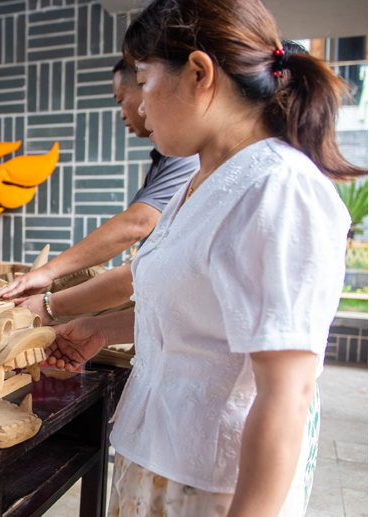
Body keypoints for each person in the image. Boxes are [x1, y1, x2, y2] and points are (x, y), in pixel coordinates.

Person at [45, 1, 365, 516]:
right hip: (159, 457)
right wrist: (103, 330)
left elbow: (287, 391)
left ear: (198, 74)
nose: (139, 104)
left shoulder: (278, 189)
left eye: (144, 80)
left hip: (216, 484)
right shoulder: (204, 180)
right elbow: (200, 307)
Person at [0, 60, 198, 321]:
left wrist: (49, 291)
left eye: (125, 97)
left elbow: (137, 225)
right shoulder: (169, 156)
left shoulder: (189, 156)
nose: (130, 111)